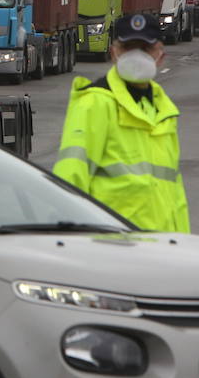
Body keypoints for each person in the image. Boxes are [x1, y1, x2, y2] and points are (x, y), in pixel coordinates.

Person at [52, 12, 189, 232]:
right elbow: (71, 175)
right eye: (128, 48)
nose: (136, 56)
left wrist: (184, 245)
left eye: (144, 49)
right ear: (113, 53)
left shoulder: (164, 111)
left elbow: (175, 192)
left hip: (161, 249)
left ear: (160, 56)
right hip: (112, 246)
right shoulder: (95, 102)